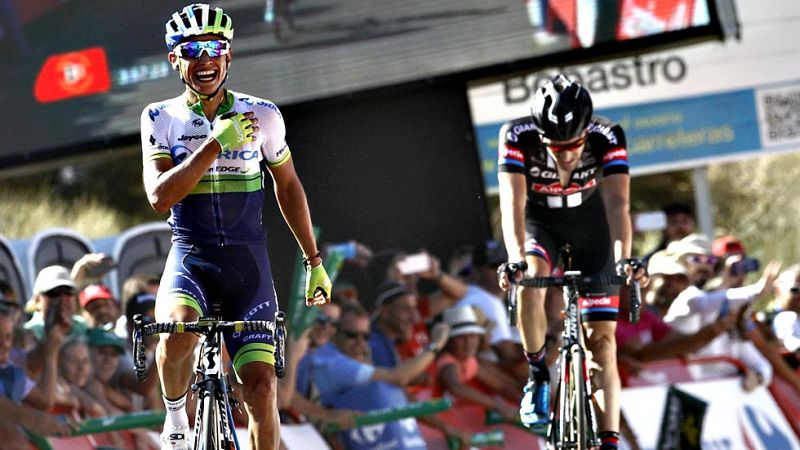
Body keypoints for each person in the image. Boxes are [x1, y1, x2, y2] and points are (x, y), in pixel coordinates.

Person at [140, 4, 332, 449]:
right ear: (174, 60)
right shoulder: (160, 117)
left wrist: (314, 261)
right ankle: (176, 419)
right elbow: (160, 197)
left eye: (214, 48)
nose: (205, 59)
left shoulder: (262, 114)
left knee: (262, 389)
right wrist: (215, 144)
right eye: (192, 50)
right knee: (179, 329)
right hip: (192, 258)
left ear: (229, 55)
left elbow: (288, 186)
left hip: (248, 264)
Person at [496, 73, 643, 450]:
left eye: (574, 145)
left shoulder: (608, 135)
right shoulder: (516, 135)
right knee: (529, 281)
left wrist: (624, 259)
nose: (565, 154)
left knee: (603, 344)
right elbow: (512, 204)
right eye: (555, 146)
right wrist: (514, 260)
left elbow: (618, 204)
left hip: (592, 228)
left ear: (586, 132)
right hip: (540, 224)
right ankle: (537, 376)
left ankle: (609, 441)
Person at [309, 304, 450, 450]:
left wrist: (447, 429)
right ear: (334, 335)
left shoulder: (358, 361)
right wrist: (437, 344)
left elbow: (398, 393)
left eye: (365, 337)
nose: (360, 343)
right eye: (352, 335)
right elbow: (399, 377)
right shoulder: (330, 362)